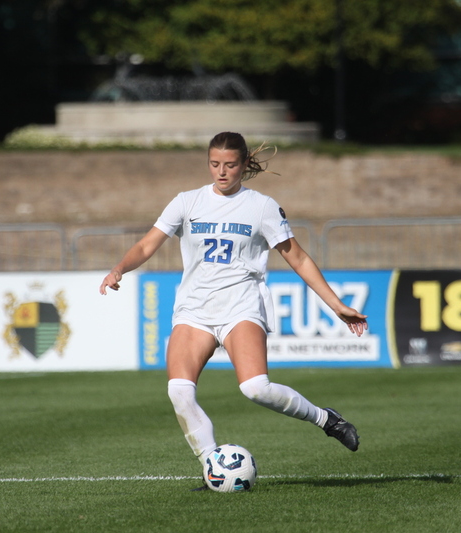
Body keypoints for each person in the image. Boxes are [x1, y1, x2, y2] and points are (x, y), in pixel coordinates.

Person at [100, 132, 368, 489]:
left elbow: (297, 257)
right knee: (179, 392)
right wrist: (120, 268)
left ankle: (326, 419)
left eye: (229, 165)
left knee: (256, 388)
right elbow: (148, 243)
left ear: (244, 165)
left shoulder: (261, 206)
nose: (221, 172)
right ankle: (213, 467)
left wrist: (336, 305)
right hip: (194, 310)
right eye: (214, 164)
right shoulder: (187, 202)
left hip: (241, 306)